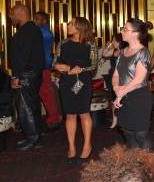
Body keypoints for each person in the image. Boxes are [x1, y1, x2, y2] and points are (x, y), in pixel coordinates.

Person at [53, 17, 98, 164]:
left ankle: (87, 145)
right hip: (67, 82)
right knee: (70, 115)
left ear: (80, 27)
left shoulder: (90, 44)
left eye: (72, 24)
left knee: (84, 114)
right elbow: (55, 63)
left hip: (83, 82)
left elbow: (93, 65)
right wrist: (64, 68)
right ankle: (71, 147)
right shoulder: (63, 43)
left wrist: (79, 69)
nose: (68, 25)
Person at [9, 4, 45, 151]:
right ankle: (35, 138)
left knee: (25, 108)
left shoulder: (28, 31)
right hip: (30, 73)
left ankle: (33, 139)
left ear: (21, 13)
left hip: (27, 74)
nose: (11, 17)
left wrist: (17, 76)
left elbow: (23, 56)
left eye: (12, 14)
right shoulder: (30, 30)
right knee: (32, 106)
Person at [113, 19, 153, 149]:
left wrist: (120, 94)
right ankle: (134, 165)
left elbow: (139, 79)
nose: (122, 31)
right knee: (128, 133)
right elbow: (116, 75)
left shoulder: (143, 52)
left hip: (139, 97)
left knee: (141, 134)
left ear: (135, 34)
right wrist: (116, 89)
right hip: (124, 95)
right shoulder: (123, 52)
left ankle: (150, 166)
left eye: (125, 29)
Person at [34, 11, 63, 131]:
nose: (35, 21)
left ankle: (54, 119)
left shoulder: (44, 33)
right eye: (35, 18)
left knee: (46, 94)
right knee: (45, 93)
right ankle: (53, 118)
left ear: (45, 21)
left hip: (43, 67)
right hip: (42, 66)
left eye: (38, 19)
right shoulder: (42, 32)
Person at [101, 33, 125, 129]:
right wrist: (108, 46)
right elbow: (104, 54)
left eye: (113, 40)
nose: (112, 42)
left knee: (122, 99)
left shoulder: (125, 51)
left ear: (118, 41)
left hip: (123, 77)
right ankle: (115, 120)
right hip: (113, 77)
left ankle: (123, 120)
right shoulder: (113, 51)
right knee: (113, 99)